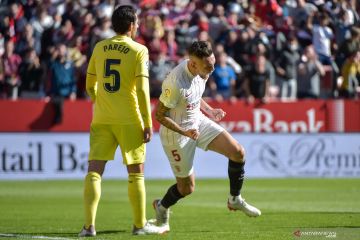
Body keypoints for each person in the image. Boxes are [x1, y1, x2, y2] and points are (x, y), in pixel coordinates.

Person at [152, 41, 261, 232]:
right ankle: (162, 206)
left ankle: (234, 199)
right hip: (176, 135)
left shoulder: (202, 70)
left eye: (213, 63)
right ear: (193, 64)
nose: (212, 69)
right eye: (208, 66)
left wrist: (210, 111)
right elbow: (160, 115)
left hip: (198, 121)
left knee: (238, 152)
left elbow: (194, 95)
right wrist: (184, 132)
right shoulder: (175, 82)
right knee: (186, 188)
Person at [78, 5, 167, 237]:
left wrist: (101, 100)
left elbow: (89, 85)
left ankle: (88, 227)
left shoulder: (99, 47)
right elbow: (142, 90)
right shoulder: (140, 50)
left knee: (94, 171)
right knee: (136, 173)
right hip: (130, 119)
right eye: (136, 23)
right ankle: (139, 226)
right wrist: (148, 122)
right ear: (130, 26)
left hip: (102, 118)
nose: (138, 26)